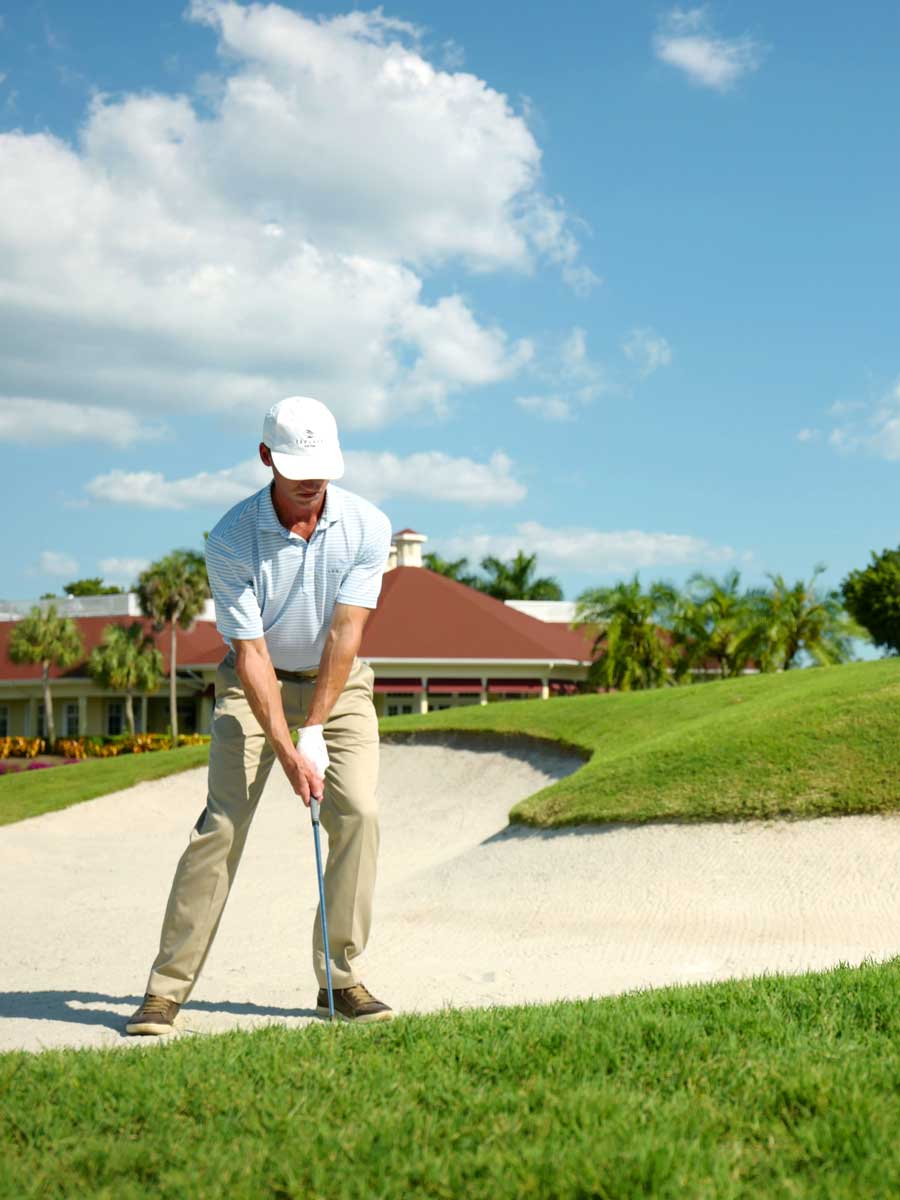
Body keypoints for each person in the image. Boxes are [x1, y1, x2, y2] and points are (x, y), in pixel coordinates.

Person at [126, 396, 394, 1033]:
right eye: (297, 465)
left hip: (340, 686)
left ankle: (341, 981)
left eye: (322, 465)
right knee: (221, 824)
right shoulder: (231, 538)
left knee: (358, 810)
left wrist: (315, 731)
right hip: (254, 685)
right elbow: (250, 653)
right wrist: (284, 744)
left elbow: (345, 635)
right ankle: (165, 991)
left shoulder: (367, 525)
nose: (311, 480)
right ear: (266, 457)